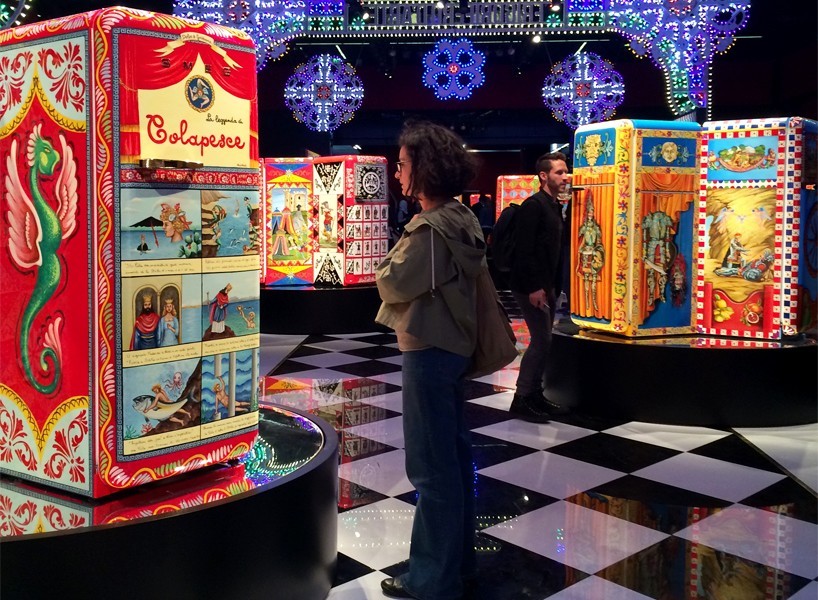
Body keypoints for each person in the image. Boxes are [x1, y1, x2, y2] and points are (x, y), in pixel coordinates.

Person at [375, 120, 484, 600]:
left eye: (402, 164)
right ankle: (457, 565)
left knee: (430, 467)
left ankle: (431, 580)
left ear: (423, 167)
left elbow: (391, 281)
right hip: (454, 345)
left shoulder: (428, 229)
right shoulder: (462, 217)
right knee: (453, 459)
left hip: (427, 349)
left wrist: (386, 263)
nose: (398, 173)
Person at [508, 152, 570, 422]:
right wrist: (534, 287)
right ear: (543, 176)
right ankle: (522, 397)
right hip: (531, 286)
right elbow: (524, 251)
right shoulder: (533, 206)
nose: (565, 176)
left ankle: (535, 393)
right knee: (541, 339)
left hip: (547, 284)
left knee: (545, 341)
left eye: (566, 171)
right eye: (559, 172)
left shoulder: (553, 205)